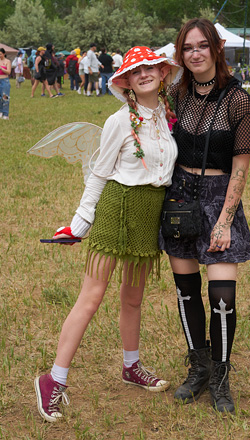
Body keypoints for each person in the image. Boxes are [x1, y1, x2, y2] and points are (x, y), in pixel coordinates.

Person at [34, 46, 183, 423]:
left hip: (150, 213)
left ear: (163, 73)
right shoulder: (120, 120)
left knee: (133, 298)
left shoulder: (167, 118)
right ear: (127, 82)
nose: (145, 74)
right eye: (136, 72)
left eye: (151, 67)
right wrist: (80, 223)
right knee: (92, 296)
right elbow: (99, 173)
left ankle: (131, 367)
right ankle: (54, 379)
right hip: (116, 208)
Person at [159, 18, 250, 413]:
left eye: (202, 46)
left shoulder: (238, 100)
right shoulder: (176, 94)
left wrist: (224, 220)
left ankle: (220, 376)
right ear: (180, 53)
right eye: (187, 48)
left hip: (220, 197)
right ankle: (197, 367)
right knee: (186, 291)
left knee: (222, 295)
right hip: (179, 198)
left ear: (216, 48)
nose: (195, 53)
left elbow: (241, 167)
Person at [0, 48, 12, 120]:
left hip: (4, 80)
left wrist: (1, 68)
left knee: (5, 97)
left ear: (4, 54)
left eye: (0, 54)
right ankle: (0, 111)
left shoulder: (7, 61)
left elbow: (8, 72)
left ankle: (5, 113)